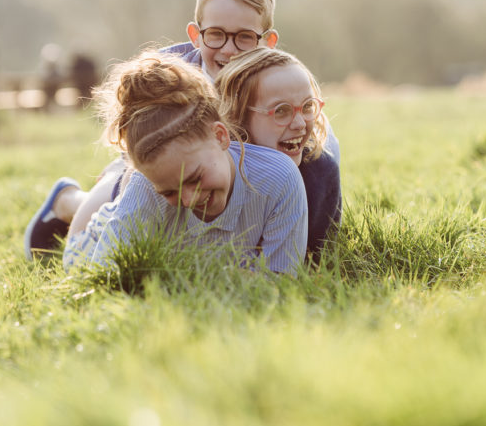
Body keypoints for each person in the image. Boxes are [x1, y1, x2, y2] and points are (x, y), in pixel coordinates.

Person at [24, 0, 341, 257]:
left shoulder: (276, 80)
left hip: (230, 168)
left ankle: (297, 246)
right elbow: (141, 132)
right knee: (126, 192)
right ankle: (68, 203)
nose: (229, 49)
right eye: (216, 35)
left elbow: (311, 131)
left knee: (317, 165)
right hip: (164, 159)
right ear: (195, 35)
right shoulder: (172, 75)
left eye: (245, 37)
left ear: (267, 42)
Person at [62, 50, 308, 276]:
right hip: (90, 240)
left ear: (221, 136)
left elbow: (281, 280)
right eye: (169, 191)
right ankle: (64, 200)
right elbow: (104, 275)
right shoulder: (146, 186)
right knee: (119, 192)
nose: (189, 200)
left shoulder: (279, 179)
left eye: (195, 179)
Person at [216, 47, 341, 256]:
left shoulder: (320, 173)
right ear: (238, 116)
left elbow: (315, 259)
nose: (300, 124)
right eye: (281, 110)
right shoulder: (215, 171)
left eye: (308, 106)